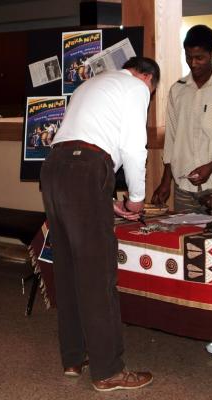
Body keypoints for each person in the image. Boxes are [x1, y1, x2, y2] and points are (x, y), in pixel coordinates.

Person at [40, 56, 160, 392]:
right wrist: (135, 199)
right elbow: (134, 148)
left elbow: (77, 143)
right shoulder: (137, 87)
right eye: (152, 87)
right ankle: (108, 370)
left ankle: (74, 357)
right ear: (147, 77)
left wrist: (109, 202)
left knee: (68, 267)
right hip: (87, 168)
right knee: (97, 273)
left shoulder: (90, 84)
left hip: (54, 168)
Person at [151, 24, 212, 213]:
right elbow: (171, 140)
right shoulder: (177, 90)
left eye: (199, 58)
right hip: (183, 185)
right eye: (189, 57)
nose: (193, 63)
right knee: (185, 237)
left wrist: (211, 166)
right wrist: (166, 181)